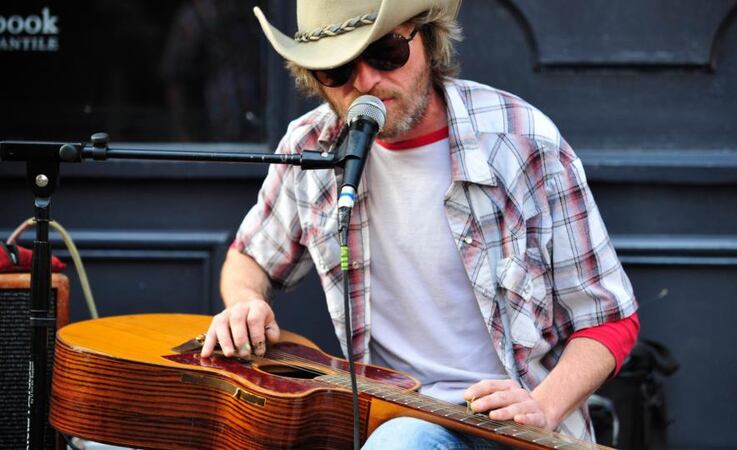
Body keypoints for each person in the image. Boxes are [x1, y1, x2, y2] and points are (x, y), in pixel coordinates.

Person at [201, 0, 640, 447]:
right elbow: (250, 255)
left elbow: (609, 320)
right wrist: (243, 303)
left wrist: (543, 406)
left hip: (520, 427)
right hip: (396, 418)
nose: (366, 81)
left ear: (427, 41)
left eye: (386, 52)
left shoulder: (522, 139)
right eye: (337, 69)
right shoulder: (312, 144)